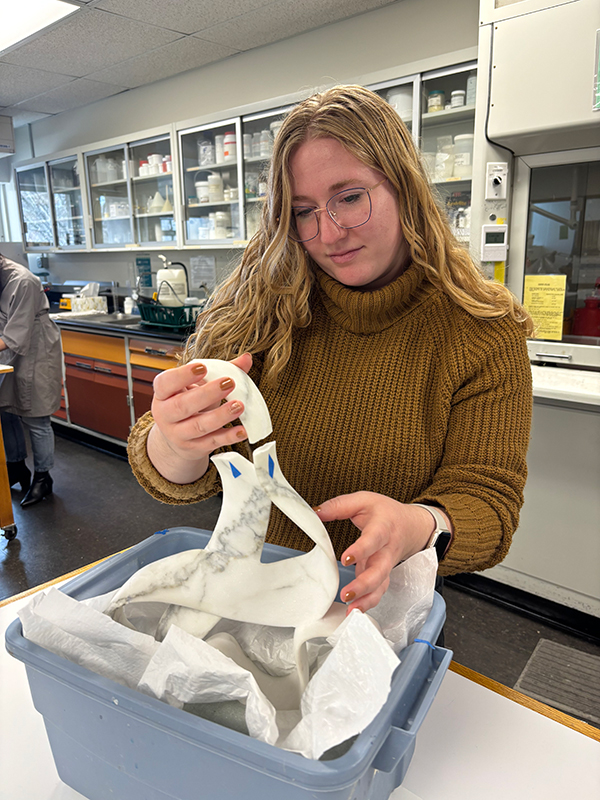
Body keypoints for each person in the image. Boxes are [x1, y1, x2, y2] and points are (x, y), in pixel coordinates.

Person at [128, 85, 533, 615]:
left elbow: (488, 502)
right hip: (252, 600)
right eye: (303, 212)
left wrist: (418, 524)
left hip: (376, 618)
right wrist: (175, 445)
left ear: (404, 186)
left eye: (349, 197)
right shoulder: (259, 309)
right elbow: (181, 470)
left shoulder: (481, 331)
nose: (329, 233)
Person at [0, 253, 62, 507]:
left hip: (36, 349)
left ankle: (43, 478)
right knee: (6, 411)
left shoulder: (23, 281)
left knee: (36, 416)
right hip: (10, 347)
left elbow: (17, 335)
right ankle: (16, 467)